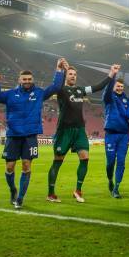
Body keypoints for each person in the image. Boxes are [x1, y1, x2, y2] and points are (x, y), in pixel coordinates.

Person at [0, 59, 66, 209]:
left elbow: (56, 86)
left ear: (33, 80)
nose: (27, 81)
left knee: (26, 165)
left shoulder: (39, 93)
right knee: (10, 167)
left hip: (30, 136)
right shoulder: (10, 94)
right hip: (13, 135)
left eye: (29, 79)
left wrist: (58, 69)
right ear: (19, 80)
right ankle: (13, 190)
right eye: (24, 79)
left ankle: (20, 198)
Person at [47, 62, 116, 203]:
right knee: (58, 161)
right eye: (70, 74)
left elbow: (98, 87)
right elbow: (56, 84)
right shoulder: (61, 90)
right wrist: (59, 69)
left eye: (75, 75)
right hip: (64, 131)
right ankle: (51, 193)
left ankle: (78, 191)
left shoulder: (81, 90)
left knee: (85, 158)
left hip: (79, 130)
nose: (73, 76)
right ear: (66, 76)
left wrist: (111, 73)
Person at [103, 72, 129, 199]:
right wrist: (112, 77)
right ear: (113, 86)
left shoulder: (128, 100)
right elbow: (107, 92)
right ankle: (110, 179)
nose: (120, 88)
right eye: (117, 86)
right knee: (110, 162)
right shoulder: (109, 97)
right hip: (111, 134)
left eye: (121, 86)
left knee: (121, 161)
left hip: (124, 135)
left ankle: (116, 188)